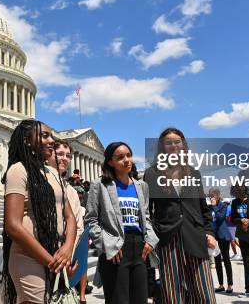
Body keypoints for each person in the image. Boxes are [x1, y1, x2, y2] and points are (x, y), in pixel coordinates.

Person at [1, 119, 78, 303]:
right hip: (28, 257)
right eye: (44, 135)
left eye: (51, 135)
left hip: (56, 254)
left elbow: (70, 217)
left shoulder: (52, 173)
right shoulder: (18, 170)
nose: (51, 140)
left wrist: (67, 249)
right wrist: (54, 263)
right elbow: (13, 226)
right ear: (27, 140)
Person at [143, 128, 218, 304]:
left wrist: (210, 232)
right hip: (168, 239)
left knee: (204, 293)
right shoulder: (152, 173)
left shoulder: (194, 173)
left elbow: (203, 207)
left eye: (177, 142)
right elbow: (147, 210)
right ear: (162, 147)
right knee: (172, 294)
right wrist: (152, 235)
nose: (173, 146)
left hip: (195, 235)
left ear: (183, 145)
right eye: (168, 143)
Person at [86, 141, 158, 304]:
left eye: (128, 155)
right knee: (118, 299)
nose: (127, 160)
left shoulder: (142, 186)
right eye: (120, 157)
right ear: (110, 162)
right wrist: (106, 243)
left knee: (140, 299)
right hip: (115, 249)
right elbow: (90, 220)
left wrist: (150, 240)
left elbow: (145, 216)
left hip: (139, 249)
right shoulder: (100, 185)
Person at [47, 140, 91, 304]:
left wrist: (68, 258)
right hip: (40, 256)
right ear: (48, 154)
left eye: (68, 155)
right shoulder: (36, 182)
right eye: (59, 154)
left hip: (62, 258)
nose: (65, 159)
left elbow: (78, 227)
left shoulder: (71, 191)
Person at [208, 188, 234, 294]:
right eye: (210, 196)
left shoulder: (223, 206)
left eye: (213, 196)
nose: (211, 198)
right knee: (217, 260)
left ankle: (230, 285)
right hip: (214, 236)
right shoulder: (209, 207)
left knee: (226, 260)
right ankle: (221, 284)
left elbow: (220, 217)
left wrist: (214, 206)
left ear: (218, 196)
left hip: (223, 235)